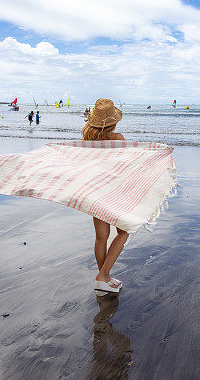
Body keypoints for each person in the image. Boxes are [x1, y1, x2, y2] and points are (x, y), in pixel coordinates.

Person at [83, 99, 128, 293]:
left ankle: (104, 277)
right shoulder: (117, 137)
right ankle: (104, 275)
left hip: (94, 190)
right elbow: (126, 163)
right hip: (113, 190)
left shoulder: (87, 137)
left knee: (101, 237)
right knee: (124, 232)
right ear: (113, 121)